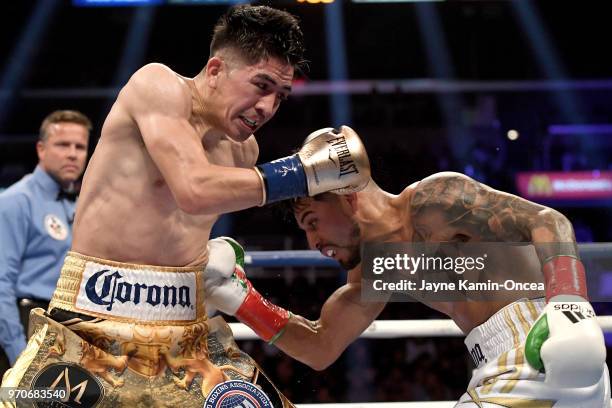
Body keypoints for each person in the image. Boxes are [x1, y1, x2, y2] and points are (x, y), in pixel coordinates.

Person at [1, 5, 369, 408]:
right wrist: (301, 172)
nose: (267, 107)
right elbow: (192, 188)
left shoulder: (244, 151)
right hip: (91, 326)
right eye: (260, 85)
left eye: (279, 96)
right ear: (214, 71)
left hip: (185, 335)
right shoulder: (157, 86)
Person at [206, 172, 610, 407]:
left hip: (540, 342)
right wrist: (242, 300)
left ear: (345, 196)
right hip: (497, 367)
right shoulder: (376, 271)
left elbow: (548, 219)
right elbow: (321, 346)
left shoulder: (435, 201)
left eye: (312, 221)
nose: (313, 243)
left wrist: (569, 304)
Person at [0, 110, 90, 378]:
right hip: (26, 328)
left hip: (68, 332)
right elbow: (1, 283)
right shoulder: (15, 201)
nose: (73, 154)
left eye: (80, 146)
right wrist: (20, 355)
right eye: (63, 145)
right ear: (41, 149)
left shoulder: (82, 205)